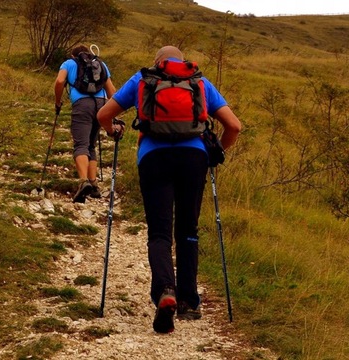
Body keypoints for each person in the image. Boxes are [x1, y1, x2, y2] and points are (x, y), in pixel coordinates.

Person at [97, 46, 241, 333]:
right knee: (188, 229)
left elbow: (104, 114)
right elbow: (234, 126)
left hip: (153, 158)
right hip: (194, 159)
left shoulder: (142, 80)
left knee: (159, 232)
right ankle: (189, 301)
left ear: (158, 62)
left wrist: (113, 131)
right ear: (181, 61)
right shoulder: (200, 82)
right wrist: (216, 154)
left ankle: (165, 291)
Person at [54, 44, 116, 203]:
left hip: (82, 104)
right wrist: (111, 112)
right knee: (91, 145)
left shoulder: (69, 63)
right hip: (101, 105)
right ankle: (94, 184)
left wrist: (57, 101)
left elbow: (60, 81)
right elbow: (112, 92)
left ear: (72, 55)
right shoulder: (101, 64)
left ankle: (83, 182)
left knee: (80, 144)